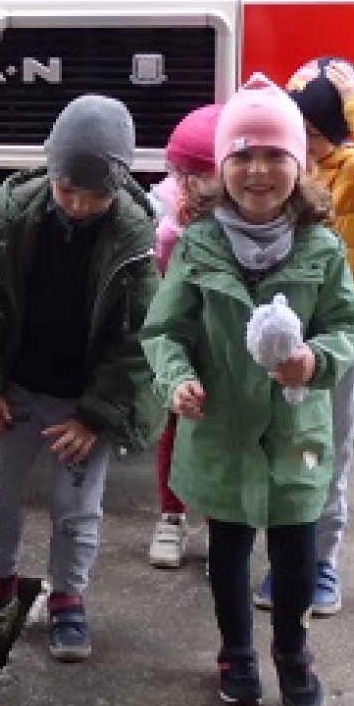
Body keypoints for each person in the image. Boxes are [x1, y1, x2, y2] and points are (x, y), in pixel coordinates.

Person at [142, 76, 354, 706]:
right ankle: (236, 651)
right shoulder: (200, 246)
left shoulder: (321, 249)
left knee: (295, 554)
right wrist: (175, 379)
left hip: (296, 435)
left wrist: (316, 361)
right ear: (220, 167)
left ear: (300, 165)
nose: (259, 171)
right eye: (242, 155)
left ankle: (292, 649)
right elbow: (165, 329)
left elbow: (350, 327)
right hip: (221, 430)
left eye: (276, 155)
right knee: (229, 550)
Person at [0, 95, 163, 661]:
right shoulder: (14, 215)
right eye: (69, 190)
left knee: (77, 508)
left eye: (96, 195)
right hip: (16, 390)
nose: (79, 205)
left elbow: (137, 341)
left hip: (80, 403)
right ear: (51, 169)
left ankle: (69, 597)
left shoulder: (136, 242)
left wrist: (97, 416)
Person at [252, 57, 354, 615]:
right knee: (274, 453)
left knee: (328, 454)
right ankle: (283, 559)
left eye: (318, 133)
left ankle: (318, 563)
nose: (307, 144)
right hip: (277, 346)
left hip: (340, 346)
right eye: (297, 131)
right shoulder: (279, 173)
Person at [145, 104, 221, 570]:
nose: (189, 185)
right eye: (182, 173)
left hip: (225, 346)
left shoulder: (245, 220)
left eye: (201, 175)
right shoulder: (166, 213)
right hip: (180, 342)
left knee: (220, 435)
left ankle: (219, 520)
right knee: (172, 428)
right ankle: (170, 517)